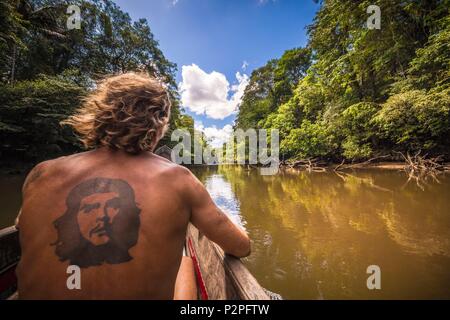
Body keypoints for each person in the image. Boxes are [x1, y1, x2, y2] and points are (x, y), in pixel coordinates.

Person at [15, 72, 251, 299]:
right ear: (158, 124)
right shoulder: (179, 179)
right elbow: (241, 247)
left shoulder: (42, 174)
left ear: (101, 115)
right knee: (185, 263)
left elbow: (20, 223)